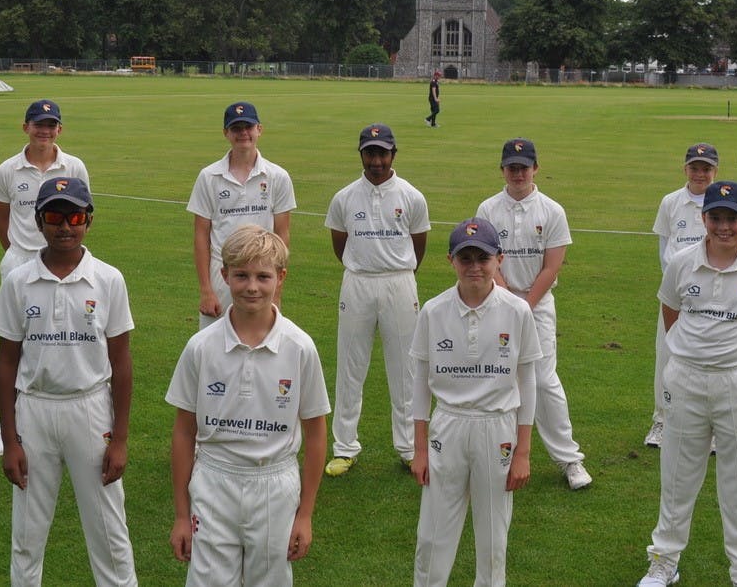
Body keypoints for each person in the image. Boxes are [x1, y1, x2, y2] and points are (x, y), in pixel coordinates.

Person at [636, 181, 737, 587]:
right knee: (677, 476)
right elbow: (671, 312)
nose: (724, 226)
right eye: (716, 217)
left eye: (732, 218)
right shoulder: (681, 263)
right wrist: (690, 356)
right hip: (686, 380)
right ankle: (664, 562)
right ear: (703, 218)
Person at [0, 177, 137, 587]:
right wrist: (10, 439)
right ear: (38, 221)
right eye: (54, 216)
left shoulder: (108, 279)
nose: (65, 226)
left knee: (108, 527)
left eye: (75, 217)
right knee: (27, 532)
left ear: (89, 220)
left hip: (90, 408)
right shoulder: (18, 281)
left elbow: (121, 361)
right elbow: (6, 362)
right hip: (34, 408)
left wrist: (120, 438)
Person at [167, 225, 329, 586]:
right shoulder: (201, 346)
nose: (252, 287)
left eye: (263, 276)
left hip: (274, 484)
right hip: (213, 480)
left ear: (280, 278)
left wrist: (305, 514)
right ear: (224, 275)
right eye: (241, 275)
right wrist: (181, 515)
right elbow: (184, 432)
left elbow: (317, 434)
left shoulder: (299, 348)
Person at [410, 218, 540, 587]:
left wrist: (523, 452)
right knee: (432, 535)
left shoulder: (517, 311)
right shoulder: (433, 310)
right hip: (448, 425)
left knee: (493, 537)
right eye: (465, 258)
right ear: (450, 260)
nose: (474, 267)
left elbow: (527, 382)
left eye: (482, 258)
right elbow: (419, 383)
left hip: (497, 426)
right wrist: (419, 448)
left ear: (499, 259)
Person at [476, 138, 593, 490]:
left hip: (537, 305)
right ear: (502, 170)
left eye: (524, 168)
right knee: (498, 376)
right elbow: (487, 261)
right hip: (496, 302)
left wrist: (525, 306)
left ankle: (569, 459)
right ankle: (499, 454)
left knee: (542, 380)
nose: (518, 174)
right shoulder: (487, 209)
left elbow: (552, 266)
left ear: (535, 169)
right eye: (512, 168)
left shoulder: (552, 211)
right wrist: (507, 300)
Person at [0, 99, 91, 457]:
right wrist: (18, 255)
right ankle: (5, 430)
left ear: (59, 129)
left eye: (50, 125)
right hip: (20, 263)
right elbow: (1, 219)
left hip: (63, 263)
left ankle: (67, 421)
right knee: (15, 345)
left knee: (58, 339)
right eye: (38, 124)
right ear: (25, 127)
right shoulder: (8, 169)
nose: (44, 131)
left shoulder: (74, 166)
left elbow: (82, 212)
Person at [323, 123, 430, 476]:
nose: (376, 161)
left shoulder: (412, 197)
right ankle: (344, 447)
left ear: (393, 154)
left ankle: (409, 447)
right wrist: (363, 265)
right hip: (358, 282)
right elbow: (340, 244)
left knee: (405, 368)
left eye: (383, 153)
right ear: (361, 155)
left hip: (399, 282)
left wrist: (399, 271)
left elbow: (418, 244)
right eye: (370, 153)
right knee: (350, 366)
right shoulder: (344, 197)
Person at [187, 101, 296, 330]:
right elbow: (201, 235)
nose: (243, 133)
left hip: (263, 272)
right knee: (214, 342)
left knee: (262, 340)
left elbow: (282, 235)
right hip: (222, 273)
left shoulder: (278, 176)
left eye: (248, 127)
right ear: (226, 133)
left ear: (259, 129)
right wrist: (206, 290)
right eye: (236, 128)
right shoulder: (208, 176)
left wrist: (277, 291)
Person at [645, 143, 719, 448]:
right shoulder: (670, 202)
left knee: (710, 360)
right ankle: (662, 421)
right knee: (667, 356)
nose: (700, 174)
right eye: (694, 168)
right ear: (685, 169)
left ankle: (711, 430)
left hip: (713, 298)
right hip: (676, 295)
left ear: (715, 171)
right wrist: (675, 286)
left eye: (706, 168)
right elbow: (665, 248)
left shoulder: (722, 202)